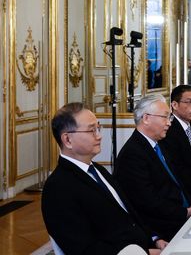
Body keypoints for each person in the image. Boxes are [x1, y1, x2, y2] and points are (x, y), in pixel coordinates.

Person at [42, 103, 166, 255]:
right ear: (67, 139)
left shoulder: (98, 169)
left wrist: (155, 238)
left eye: (98, 128)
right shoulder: (58, 188)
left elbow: (128, 213)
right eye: (91, 130)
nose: (99, 135)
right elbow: (84, 248)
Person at [115, 94, 191, 241]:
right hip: (166, 227)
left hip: (182, 214)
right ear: (146, 118)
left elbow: (177, 183)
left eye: (169, 118)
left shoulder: (157, 145)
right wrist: (185, 212)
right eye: (165, 117)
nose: (169, 123)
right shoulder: (132, 155)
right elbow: (147, 202)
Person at [161, 85, 191, 203]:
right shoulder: (168, 130)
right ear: (174, 105)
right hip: (184, 194)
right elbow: (177, 172)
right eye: (189, 102)